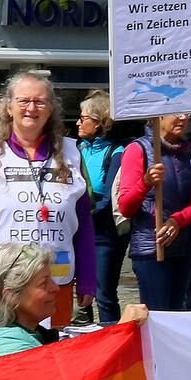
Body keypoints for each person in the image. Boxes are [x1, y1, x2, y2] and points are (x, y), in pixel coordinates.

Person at [0, 71, 96, 327]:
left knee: (51, 358)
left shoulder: (73, 152)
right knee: (4, 355)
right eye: (23, 101)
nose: (31, 108)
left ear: (51, 108)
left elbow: (83, 223)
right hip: (3, 282)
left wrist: (87, 278)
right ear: (8, 107)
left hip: (54, 282)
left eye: (40, 101)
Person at [0, 242, 148, 360]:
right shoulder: (8, 348)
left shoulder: (18, 334)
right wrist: (120, 334)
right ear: (10, 295)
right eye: (43, 283)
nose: (55, 288)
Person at [114, 113, 191, 310]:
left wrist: (177, 221)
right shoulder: (137, 149)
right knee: (157, 317)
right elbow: (126, 207)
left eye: (187, 113)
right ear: (159, 115)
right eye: (177, 113)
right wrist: (145, 182)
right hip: (151, 250)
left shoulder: (187, 151)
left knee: (177, 318)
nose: (184, 118)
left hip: (183, 250)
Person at [76, 91, 128, 323]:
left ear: (98, 123)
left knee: (104, 294)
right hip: (78, 231)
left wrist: (82, 216)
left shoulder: (116, 152)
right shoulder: (78, 149)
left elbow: (108, 197)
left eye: (83, 117)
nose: (78, 122)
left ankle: (111, 339)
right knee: (80, 294)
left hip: (104, 233)